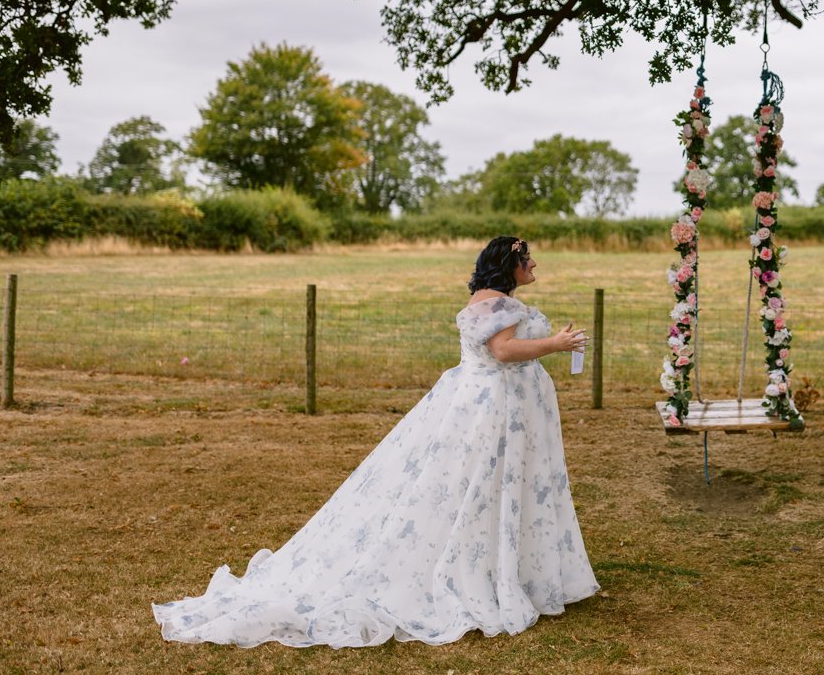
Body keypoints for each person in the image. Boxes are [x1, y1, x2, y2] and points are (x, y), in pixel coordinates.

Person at [151, 236, 599, 647]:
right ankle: (481, 572)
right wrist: (555, 344)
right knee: (479, 487)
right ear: (510, 265)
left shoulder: (493, 300)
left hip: (498, 407)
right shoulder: (497, 304)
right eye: (527, 259)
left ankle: (504, 565)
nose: (534, 263)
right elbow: (502, 352)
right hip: (492, 409)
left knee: (488, 487)